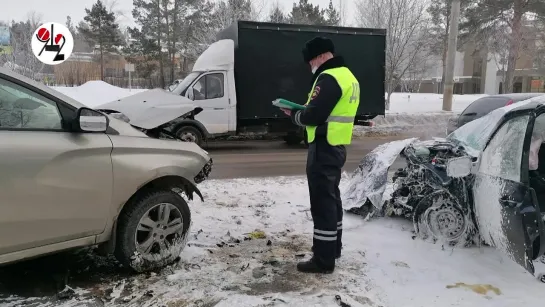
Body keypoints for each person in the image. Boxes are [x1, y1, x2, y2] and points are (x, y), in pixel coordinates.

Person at [280, 37, 360, 274]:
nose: (310, 66)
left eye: (311, 61)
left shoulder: (330, 77)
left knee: (322, 204)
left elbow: (313, 116)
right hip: (336, 145)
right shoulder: (348, 76)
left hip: (323, 147)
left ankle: (323, 260)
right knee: (332, 200)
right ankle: (333, 249)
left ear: (321, 57)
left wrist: (293, 115)